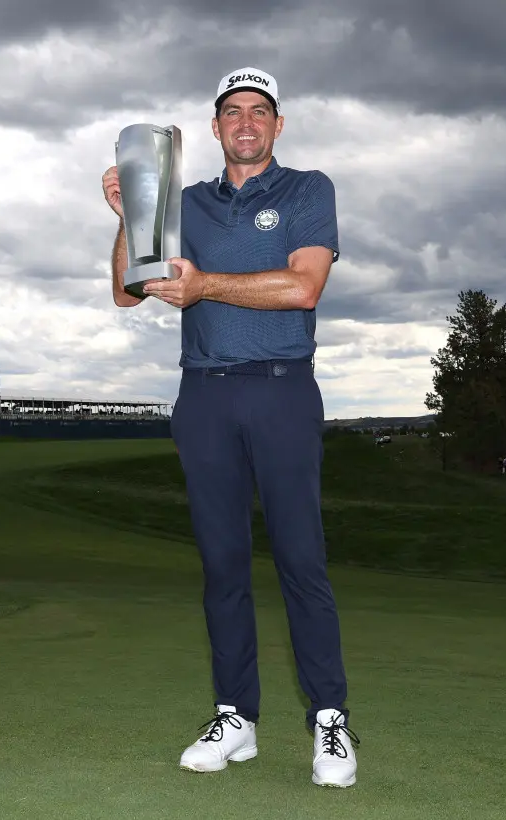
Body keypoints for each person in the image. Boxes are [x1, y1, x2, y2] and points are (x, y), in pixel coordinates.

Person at [101, 67, 357, 789]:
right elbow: (130, 294)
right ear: (214, 130)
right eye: (232, 112)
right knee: (222, 567)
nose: (246, 122)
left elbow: (303, 285)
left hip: (281, 392)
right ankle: (235, 717)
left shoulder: (308, 190)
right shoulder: (184, 202)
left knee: (302, 561)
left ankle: (330, 720)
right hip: (204, 396)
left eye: (259, 112)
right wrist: (129, 216)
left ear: (277, 126)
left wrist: (207, 283)